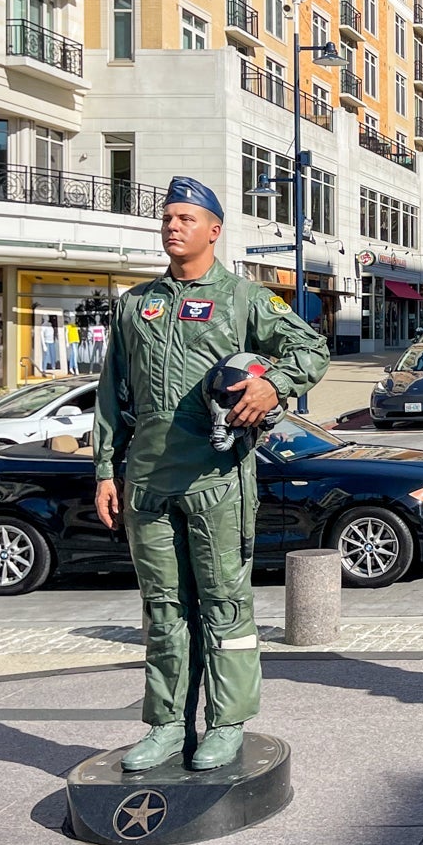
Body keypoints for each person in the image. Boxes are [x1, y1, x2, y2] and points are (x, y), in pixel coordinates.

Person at [93, 177, 329, 773]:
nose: (173, 226)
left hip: (218, 480)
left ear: (214, 230)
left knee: (225, 605)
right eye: (168, 217)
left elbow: (311, 350)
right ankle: (168, 724)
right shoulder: (135, 305)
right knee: (163, 608)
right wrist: (104, 471)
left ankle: (227, 722)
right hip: (147, 482)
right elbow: (110, 396)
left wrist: (271, 383)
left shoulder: (243, 298)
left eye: (187, 218)